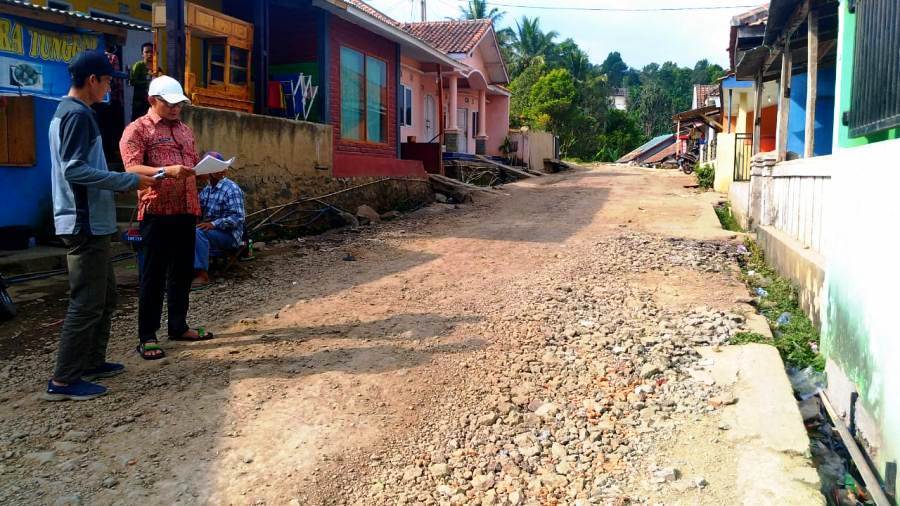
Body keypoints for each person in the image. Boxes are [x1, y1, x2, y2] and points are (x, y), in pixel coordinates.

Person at [45, 51, 155, 401]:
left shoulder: (71, 113)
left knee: (105, 297)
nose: (109, 87)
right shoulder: (77, 115)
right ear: (92, 80)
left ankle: (91, 361)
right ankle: (63, 380)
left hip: (89, 221)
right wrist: (124, 181)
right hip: (83, 222)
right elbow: (73, 170)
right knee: (87, 301)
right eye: (107, 80)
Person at [120, 75, 213, 361]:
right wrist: (165, 171)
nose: (175, 108)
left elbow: (190, 164)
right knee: (153, 276)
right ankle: (147, 336)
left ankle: (178, 326)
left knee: (182, 271)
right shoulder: (137, 130)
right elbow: (131, 170)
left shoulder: (186, 131)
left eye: (179, 104)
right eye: (169, 103)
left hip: (186, 209)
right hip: (157, 211)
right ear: (152, 100)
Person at [192, 152, 245, 289]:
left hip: (229, 235)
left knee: (197, 233)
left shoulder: (231, 189)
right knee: (188, 230)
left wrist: (213, 224)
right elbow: (198, 207)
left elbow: (238, 217)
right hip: (213, 232)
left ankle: (202, 275)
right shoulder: (207, 190)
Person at [129, 42, 158, 121]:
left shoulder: (157, 68)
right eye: (147, 52)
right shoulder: (138, 66)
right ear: (142, 54)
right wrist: (148, 82)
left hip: (152, 104)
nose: (150, 54)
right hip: (139, 103)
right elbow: (132, 81)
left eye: (152, 52)